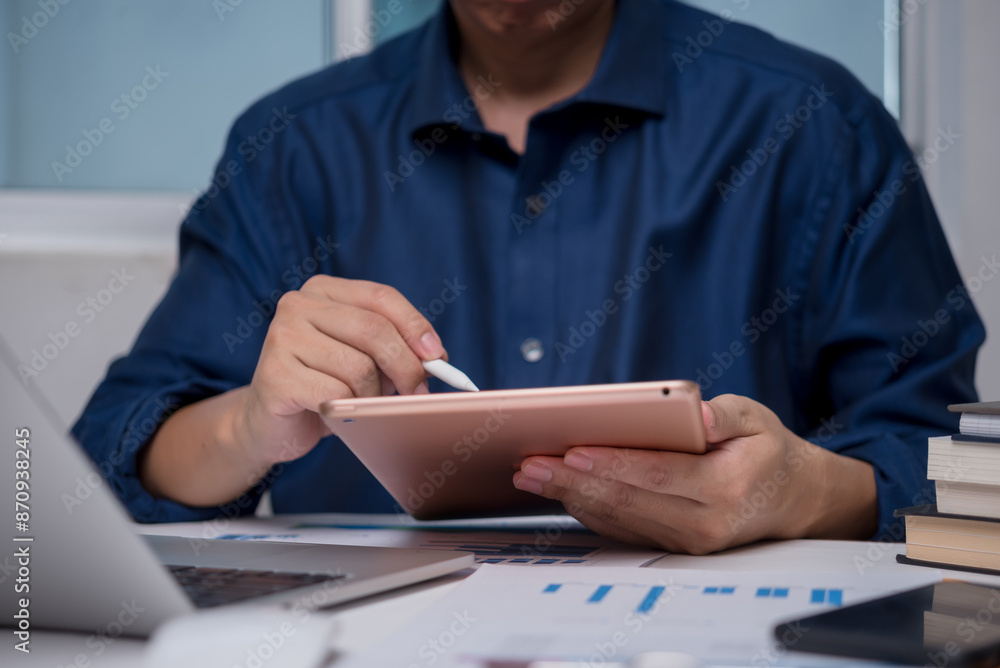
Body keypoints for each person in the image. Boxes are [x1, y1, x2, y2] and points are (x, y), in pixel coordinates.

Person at [73, 0, 984, 555]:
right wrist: (244, 424)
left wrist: (806, 493)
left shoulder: (812, 125)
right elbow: (101, 468)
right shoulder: (295, 147)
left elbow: (951, 469)